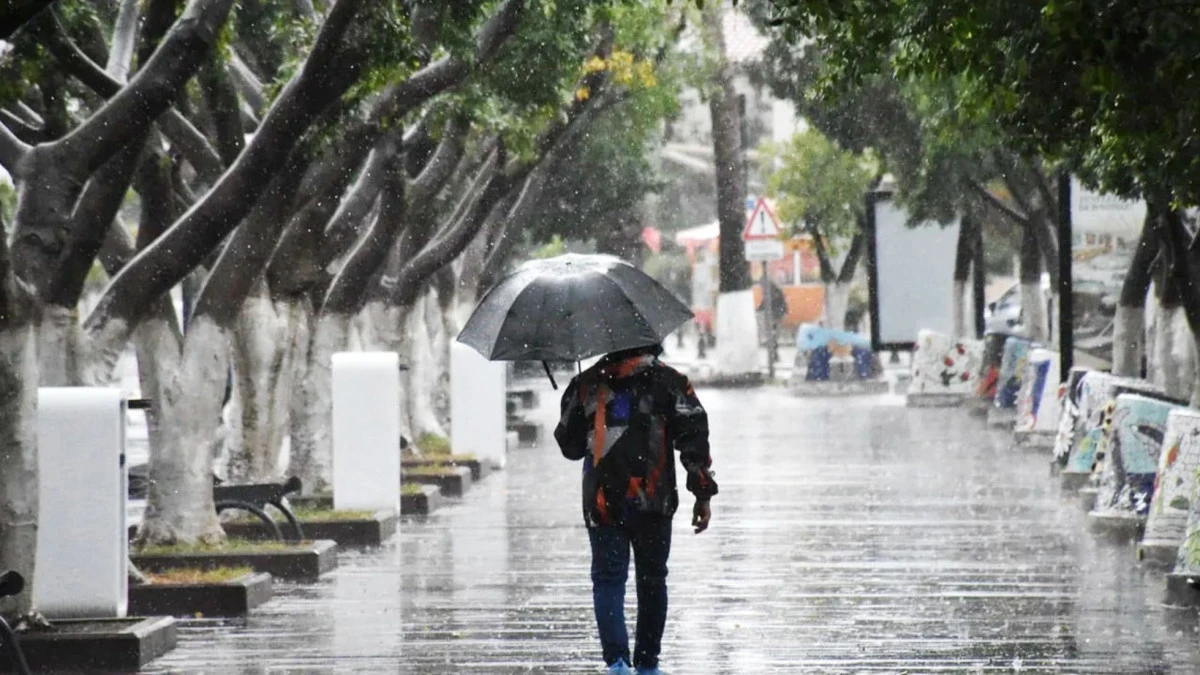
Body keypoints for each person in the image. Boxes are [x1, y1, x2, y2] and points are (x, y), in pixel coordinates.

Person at [555, 343, 718, 675]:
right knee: (653, 580)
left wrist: (577, 404)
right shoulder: (669, 381)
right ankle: (647, 664)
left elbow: (570, 447)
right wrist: (702, 494)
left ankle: (617, 663)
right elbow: (693, 437)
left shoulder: (587, 384)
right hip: (653, 498)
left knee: (608, 579)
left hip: (603, 501)